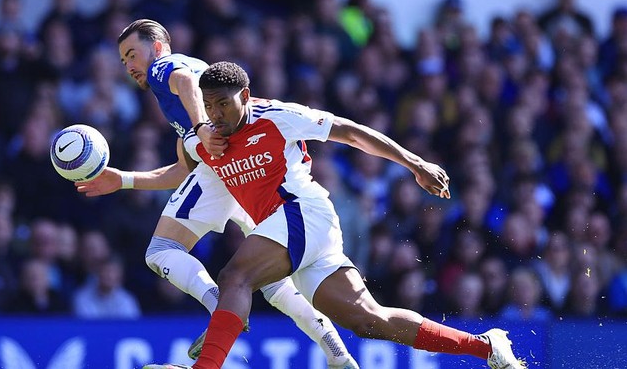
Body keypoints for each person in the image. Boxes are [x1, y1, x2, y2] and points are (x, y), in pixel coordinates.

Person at [155, 61, 526, 369]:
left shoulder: (276, 116)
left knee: (235, 276)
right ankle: (487, 347)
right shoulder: (204, 139)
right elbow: (177, 170)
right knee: (368, 320)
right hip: (292, 234)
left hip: (302, 211)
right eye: (209, 105)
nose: (216, 114)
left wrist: (414, 162)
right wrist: (122, 179)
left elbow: (349, 132)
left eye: (223, 103)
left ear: (246, 96)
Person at [74, 19, 358, 368]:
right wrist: (125, 180)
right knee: (271, 282)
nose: (130, 66)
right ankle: (337, 353)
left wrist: (200, 126)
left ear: (159, 47)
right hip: (244, 178)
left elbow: (184, 82)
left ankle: (217, 307)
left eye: (133, 54)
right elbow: (181, 170)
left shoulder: (167, 70)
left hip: (224, 174)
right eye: (123, 61)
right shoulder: (181, 101)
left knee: (161, 251)